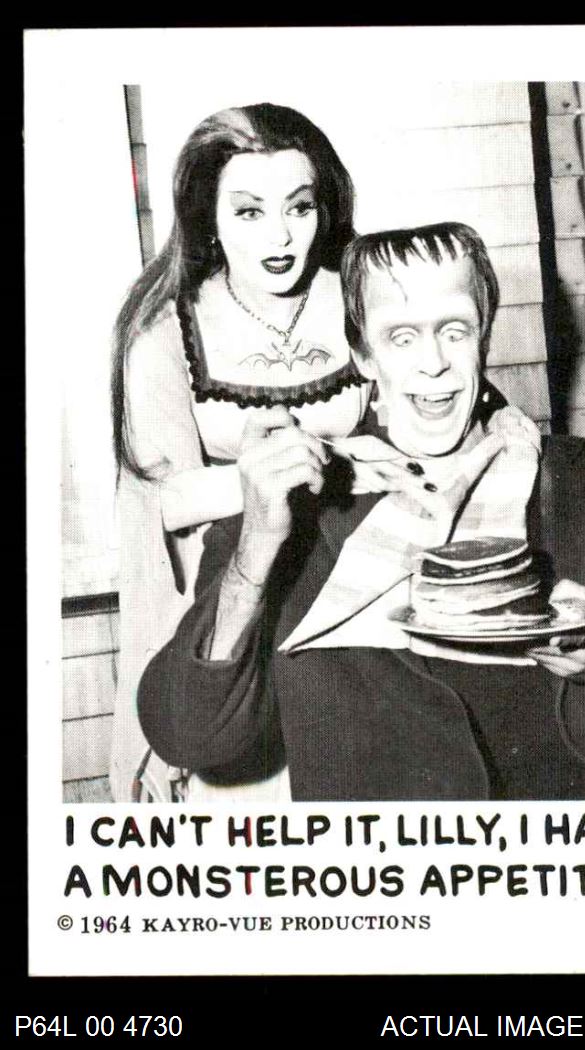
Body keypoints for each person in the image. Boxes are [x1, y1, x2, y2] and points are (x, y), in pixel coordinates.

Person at [138, 222, 585, 801]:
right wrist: (255, 552)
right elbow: (191, 738)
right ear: (362, 354)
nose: (433, 363)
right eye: (401, 337)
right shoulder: (288, 512)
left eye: (455, 331)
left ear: (485, 336)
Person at [111, 103, 375, 802]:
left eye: (299, 207)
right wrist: (263, 481)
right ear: (209, 218)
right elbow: (158, 506)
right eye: (250, 212)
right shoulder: (166, 329)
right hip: (240, 603)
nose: (280, 236)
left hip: (358, 606)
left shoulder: (363, 294)